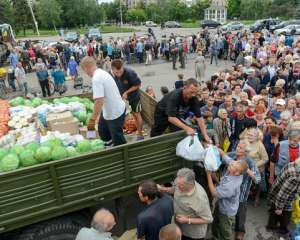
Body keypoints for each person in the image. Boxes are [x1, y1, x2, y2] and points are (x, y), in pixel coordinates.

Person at [81, 56, 126, 147]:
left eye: (84, 70)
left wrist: (92, 119)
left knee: (118, 139)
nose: (86, 73)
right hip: (108, 110)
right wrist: (97, 115)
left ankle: (123, 155)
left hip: (114, 113)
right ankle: (109, 146)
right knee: (102, 130)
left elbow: (99, 101)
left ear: (86, 68)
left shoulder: (96, 78)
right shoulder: (101, 72)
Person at [150, 78, 211, 143]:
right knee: (157, 131)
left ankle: (175, 146)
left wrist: (205, 135)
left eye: (195, 93)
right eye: (192, 92)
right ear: (184, 88)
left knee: (179, 131)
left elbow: (199, 117)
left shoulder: (194, 98)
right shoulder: (175, 96)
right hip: (162, 113)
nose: (193, 95)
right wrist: (187, 128)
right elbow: (171, 118)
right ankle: (151, 143)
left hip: (175, 113)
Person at [158, 168, 213, 240]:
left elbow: (208, 219)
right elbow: (174, 189)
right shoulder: (180, 184)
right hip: (181, 228)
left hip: (192, 234)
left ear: (190, 184)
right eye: (177, 183)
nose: (177, 186)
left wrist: (187, 220)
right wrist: (162, 189)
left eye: (180, 185)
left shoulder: (199, 199)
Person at [207, 155, 249, 240]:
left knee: (225, 231)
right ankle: (215, 237)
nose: (232, 163)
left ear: (237, 173)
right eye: (234, 162)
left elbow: (214, 193)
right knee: (216, 222)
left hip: (226, 212)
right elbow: (226, 158)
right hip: (223, 204)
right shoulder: (234, 169)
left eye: (234, 165)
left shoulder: (231, 185)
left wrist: (208, 175)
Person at [111, 59, 144, 140]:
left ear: (123, 67)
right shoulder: (112, 73)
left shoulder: (130, 73)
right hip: (124, 98)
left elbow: (138, 85)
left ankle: (140, 135)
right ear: (112, 69)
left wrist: (126, 92)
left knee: (137, 115)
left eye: (120, 72)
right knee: (132, 115)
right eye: (116, 73)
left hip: (134, 97)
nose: (118, 74)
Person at [267, 158, 300, 236]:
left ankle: (271, 226)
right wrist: (279, 207)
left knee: (274, 210)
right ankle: (281, 230)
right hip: (282, 196)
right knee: (286, 213)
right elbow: (283, 194)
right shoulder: (295, 177)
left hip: (277, 189)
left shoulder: (294, 164)